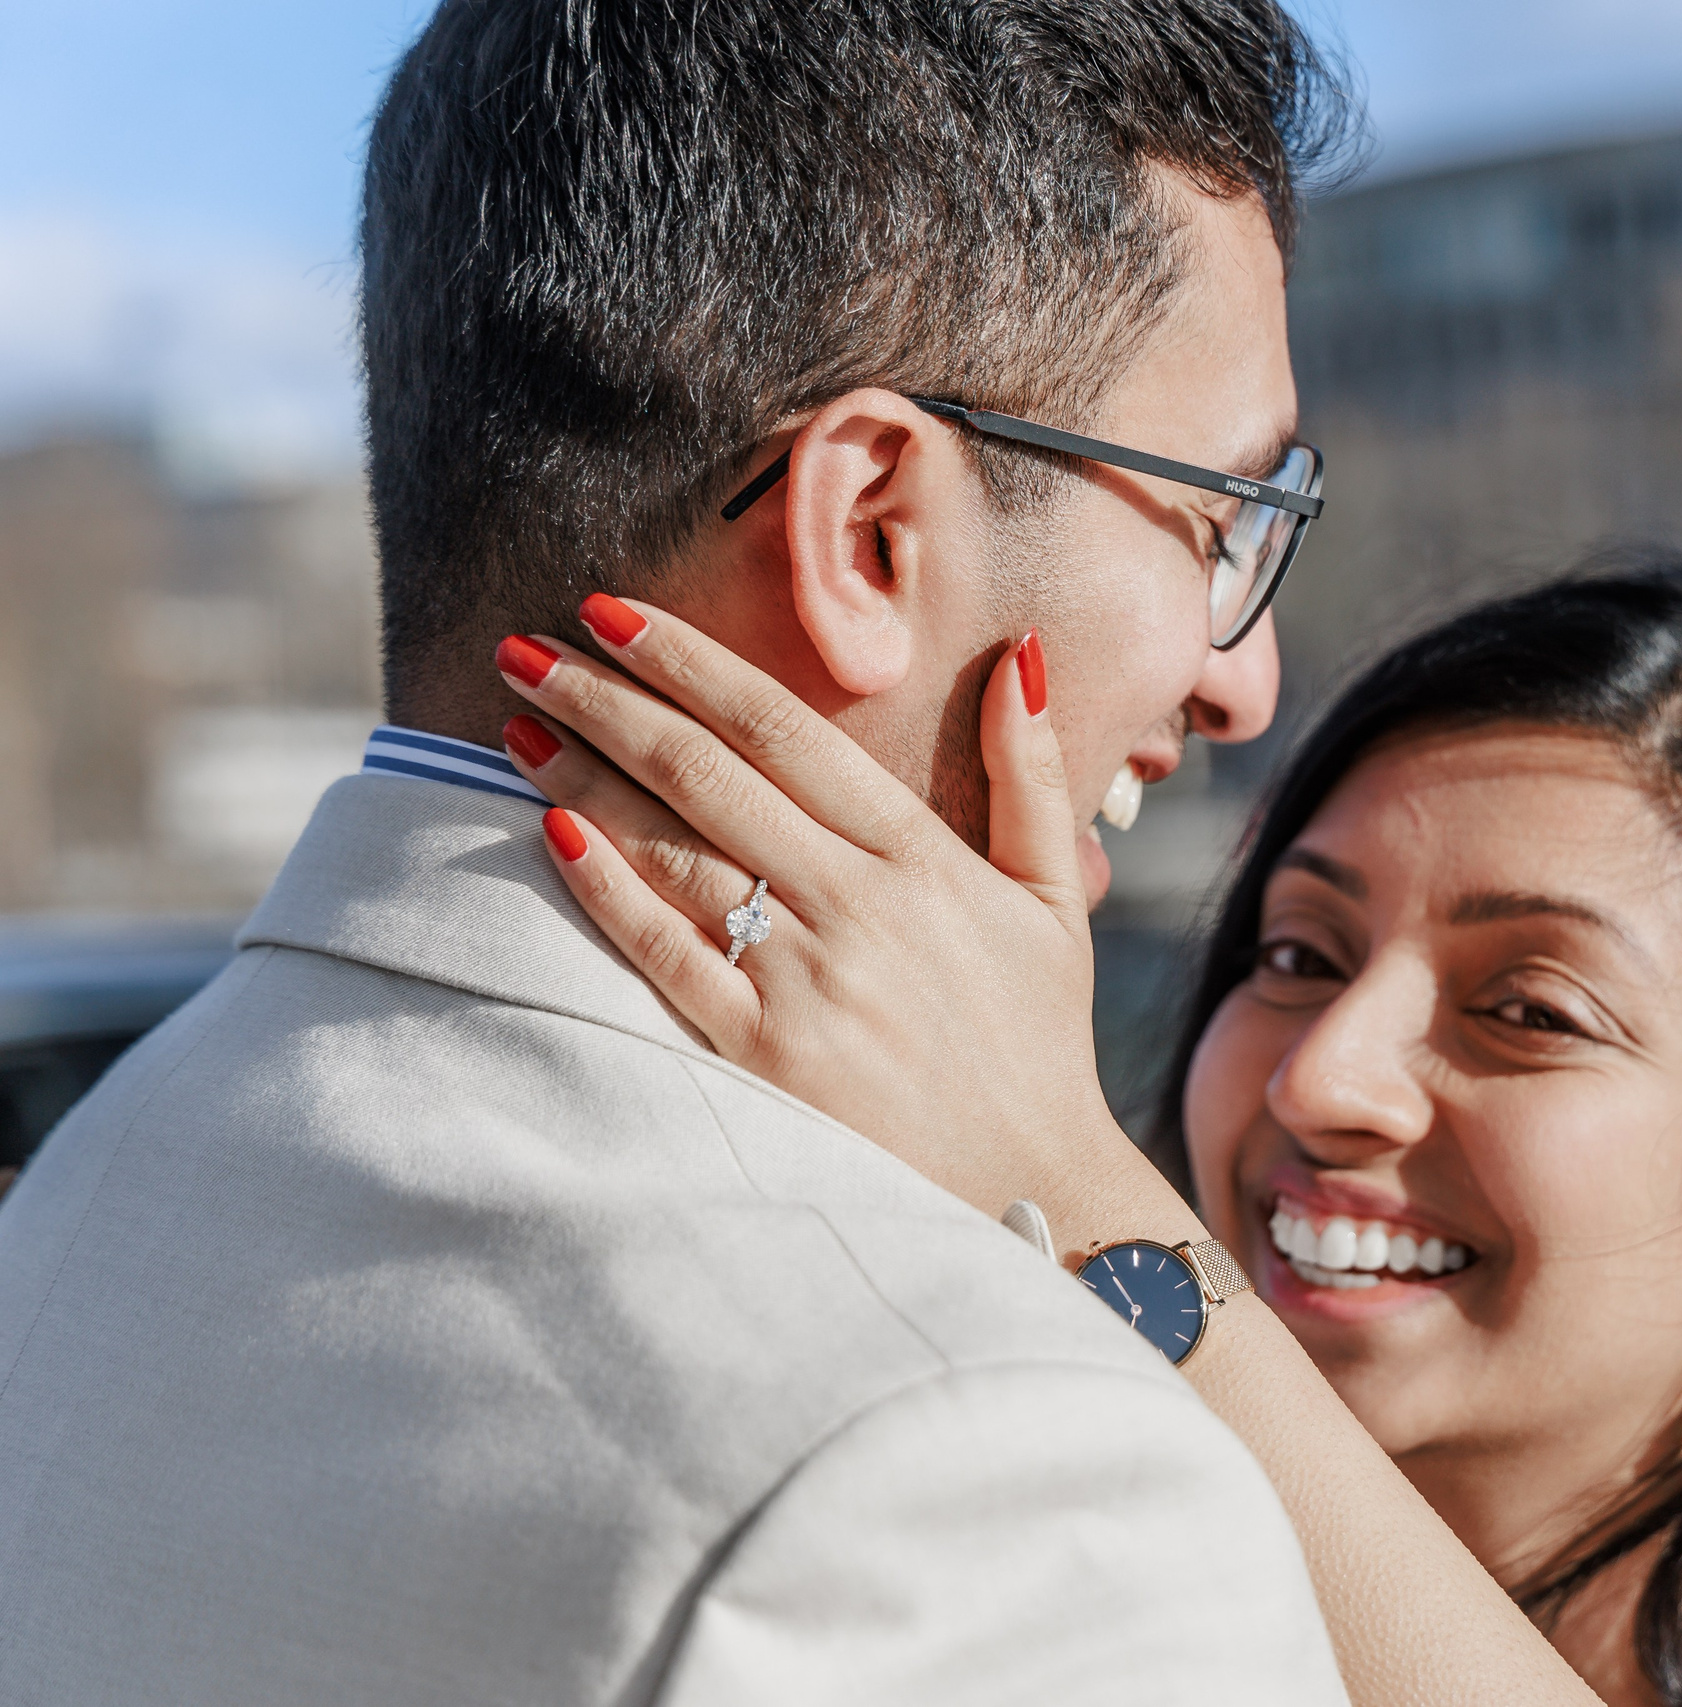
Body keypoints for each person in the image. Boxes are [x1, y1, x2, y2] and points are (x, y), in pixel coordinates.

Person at [0, 3, 1371, 1702]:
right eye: (1221, 517)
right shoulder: (998, 1481)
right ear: (869, 531)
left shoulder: (86, 1198)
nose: (1245, 681)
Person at [504, 559, 1682, 1706]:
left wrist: (1081, 1194)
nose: (1322, 1075)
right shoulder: (1062, 1563)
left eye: (1528, 1009)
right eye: (1296, 953)